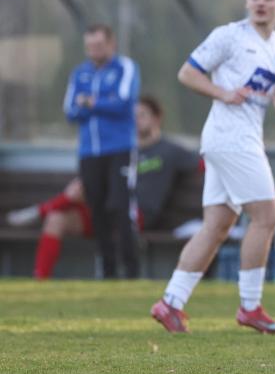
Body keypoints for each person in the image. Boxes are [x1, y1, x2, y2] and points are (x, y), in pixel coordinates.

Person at [150, 0, 275, 334]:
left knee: (216, 226)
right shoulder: (230, 36)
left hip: (241, 140)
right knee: (266, 218)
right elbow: (187, 73)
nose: (260, 3)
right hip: (228, 138)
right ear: (247, 2)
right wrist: (223, 93)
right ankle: (250, 307)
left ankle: (170, 303)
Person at [7, 96, 200, 279]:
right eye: (132, 116)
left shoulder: (170, 150)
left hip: (137, 214)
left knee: (88, 193)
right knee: (57, 218)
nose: (136, 120)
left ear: (157, 118)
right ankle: (40, 281)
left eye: (142, 115)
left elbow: (204, 163)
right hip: (108, 211)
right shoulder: (122, 150)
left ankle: (39, 211)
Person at [64, 23, 140, 278]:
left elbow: (123, 102)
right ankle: (108, 271)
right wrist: (93, 104)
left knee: (119, 206)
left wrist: (90, 102)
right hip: (88, 152)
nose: (93, 50)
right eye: (89, 46)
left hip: (119, 148)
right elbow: (70, 111)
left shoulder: (125, 67)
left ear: (111, 43)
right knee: (96, 208)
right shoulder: (79, 73)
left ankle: (131, 270)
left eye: (98, 45)